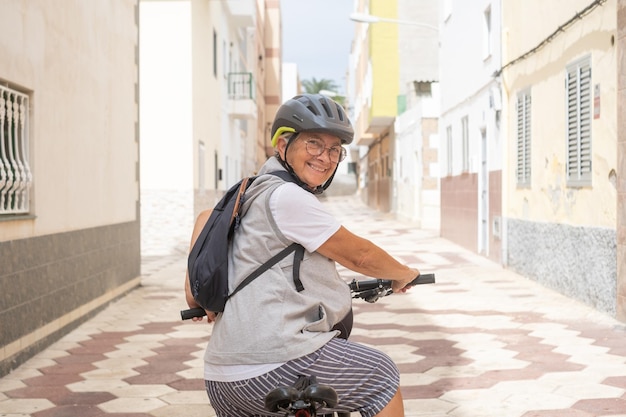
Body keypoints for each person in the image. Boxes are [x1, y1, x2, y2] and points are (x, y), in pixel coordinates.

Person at [184, 93, 421, 417]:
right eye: (313, 144)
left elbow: (204, 226)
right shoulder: (287, 197)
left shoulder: (249, 194)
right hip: (275, 363)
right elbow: (360, 256)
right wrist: (403, 273)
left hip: (222, 377)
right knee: (381, 376)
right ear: (283, 145)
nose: (325, 157)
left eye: (334, 149)